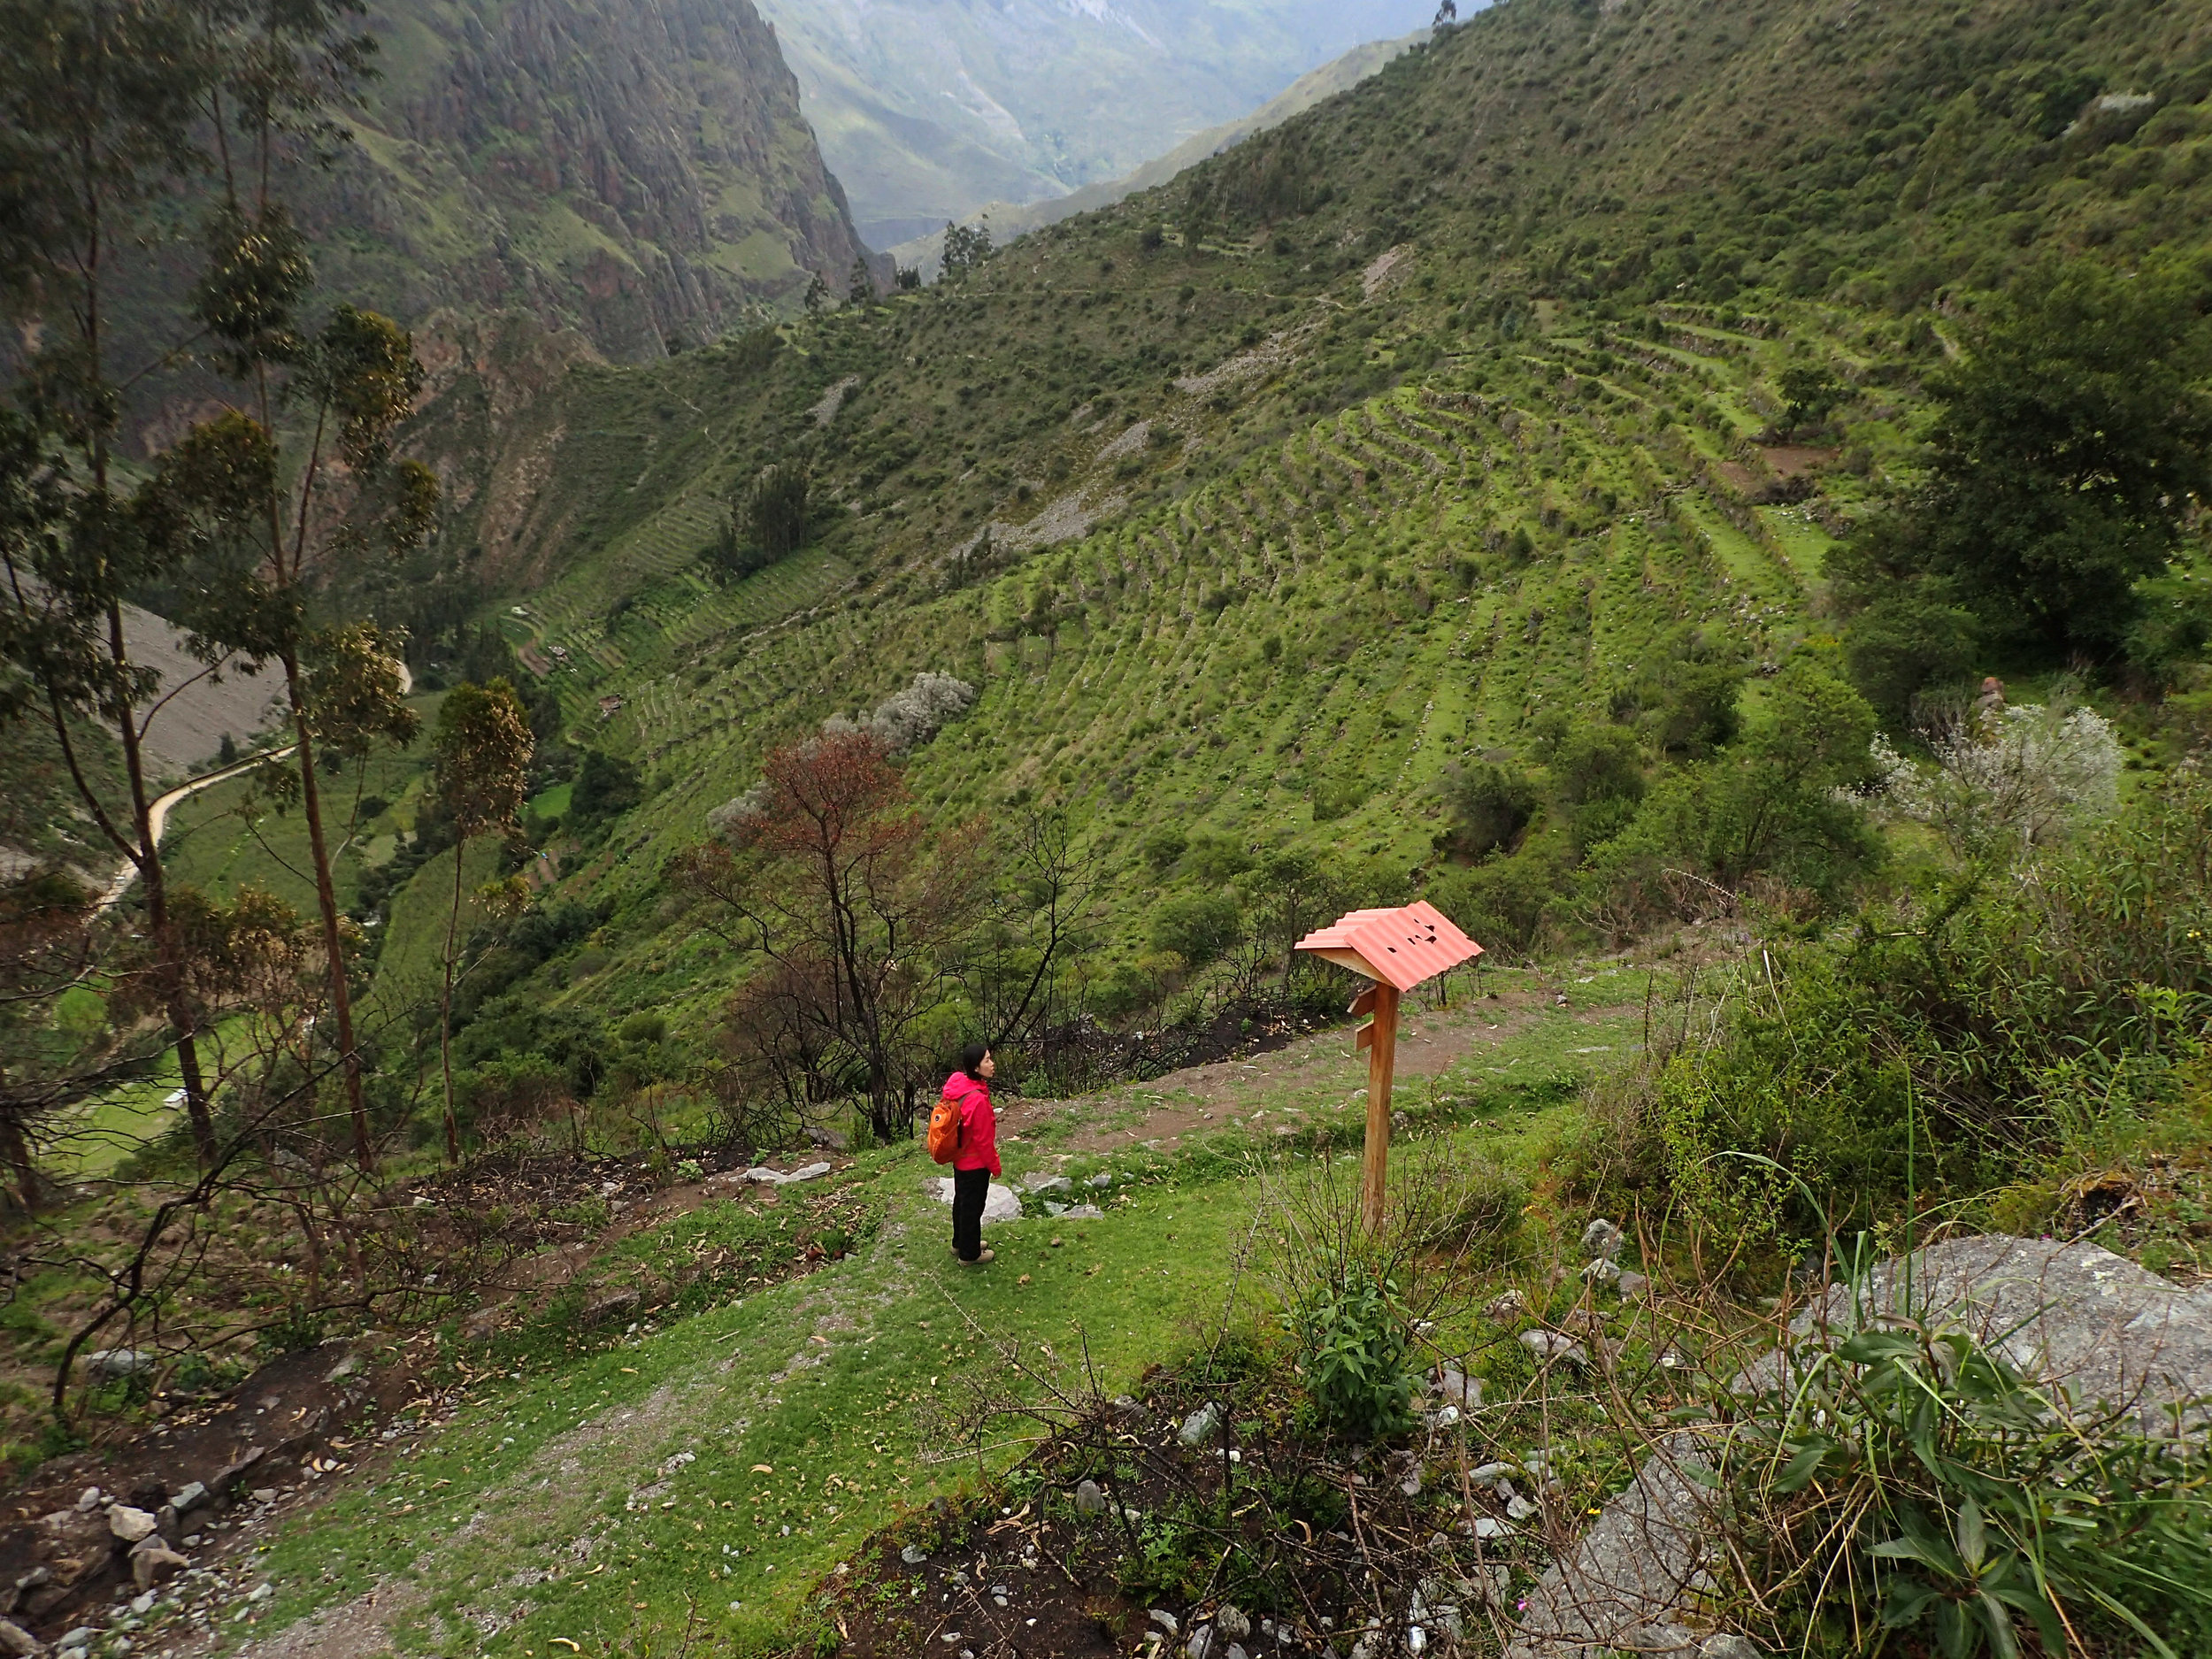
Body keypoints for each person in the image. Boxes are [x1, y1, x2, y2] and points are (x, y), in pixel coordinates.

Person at [942, 1042, 999, 1265]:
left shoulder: (960, 1086)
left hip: (960, 1160)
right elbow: (984, 1141)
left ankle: (961, 1243)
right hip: (975, 1164)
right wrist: (994, 1166)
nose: (992, 1064)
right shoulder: (977, 1100)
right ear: (976, 1068)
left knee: (962, 1203)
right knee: (973, 1208)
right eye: (987, 1060)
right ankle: (970, 1254)